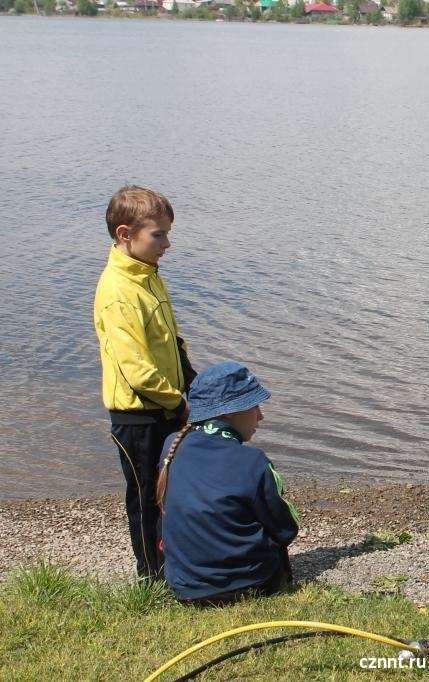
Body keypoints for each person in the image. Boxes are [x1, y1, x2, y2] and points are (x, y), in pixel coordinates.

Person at [93, 185, 196, 579]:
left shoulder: (148, 275)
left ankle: (173, 564)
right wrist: (179, 403)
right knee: (144, 498)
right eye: (158, 234)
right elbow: (136, 369)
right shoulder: (118, 291)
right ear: (124, 234)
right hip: (138, 417)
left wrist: (192, 381)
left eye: (167, 233)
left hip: (165, 407)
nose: (167, 244)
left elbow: (171, 340)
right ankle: (150, 576)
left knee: (167, 493)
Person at [156, 361, 299, 604]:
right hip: (246, 586)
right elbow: (286, 529)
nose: (261, 416)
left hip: (185, 587)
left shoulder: (172, 445)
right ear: (229, 411)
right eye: (254, 406)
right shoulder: (253, 461)